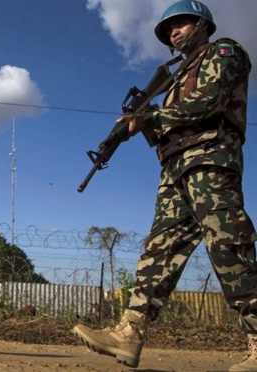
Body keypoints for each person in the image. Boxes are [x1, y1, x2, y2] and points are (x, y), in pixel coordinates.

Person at [72, 1, 257, 370]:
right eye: (168, 28)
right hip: (174, 170)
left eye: (182, 23)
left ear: (203, 25)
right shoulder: (173, 81)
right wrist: (138, 128)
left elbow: (210, 100)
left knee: (228, 246)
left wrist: (150, 114)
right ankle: (129, 334)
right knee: (158, 253)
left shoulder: (225, 51)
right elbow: (164, 133)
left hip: (209, 160)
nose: (173, 32)